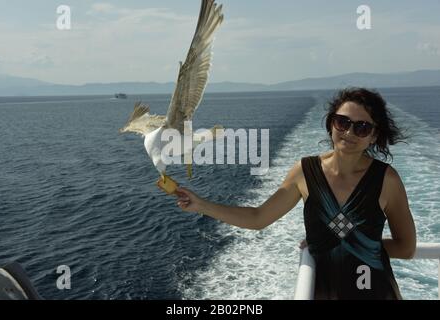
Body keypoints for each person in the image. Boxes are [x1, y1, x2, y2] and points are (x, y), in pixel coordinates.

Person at [174, 87, 416, 300]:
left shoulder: (387, 180)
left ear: (374, 135)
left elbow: (406, 247)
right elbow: (258, 218)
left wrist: (352, 242)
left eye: (362, 127)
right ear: (331, 123)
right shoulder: (305, 172)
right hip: (323, 292)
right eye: (342, 122)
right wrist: (201, 205)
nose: (349, 133)